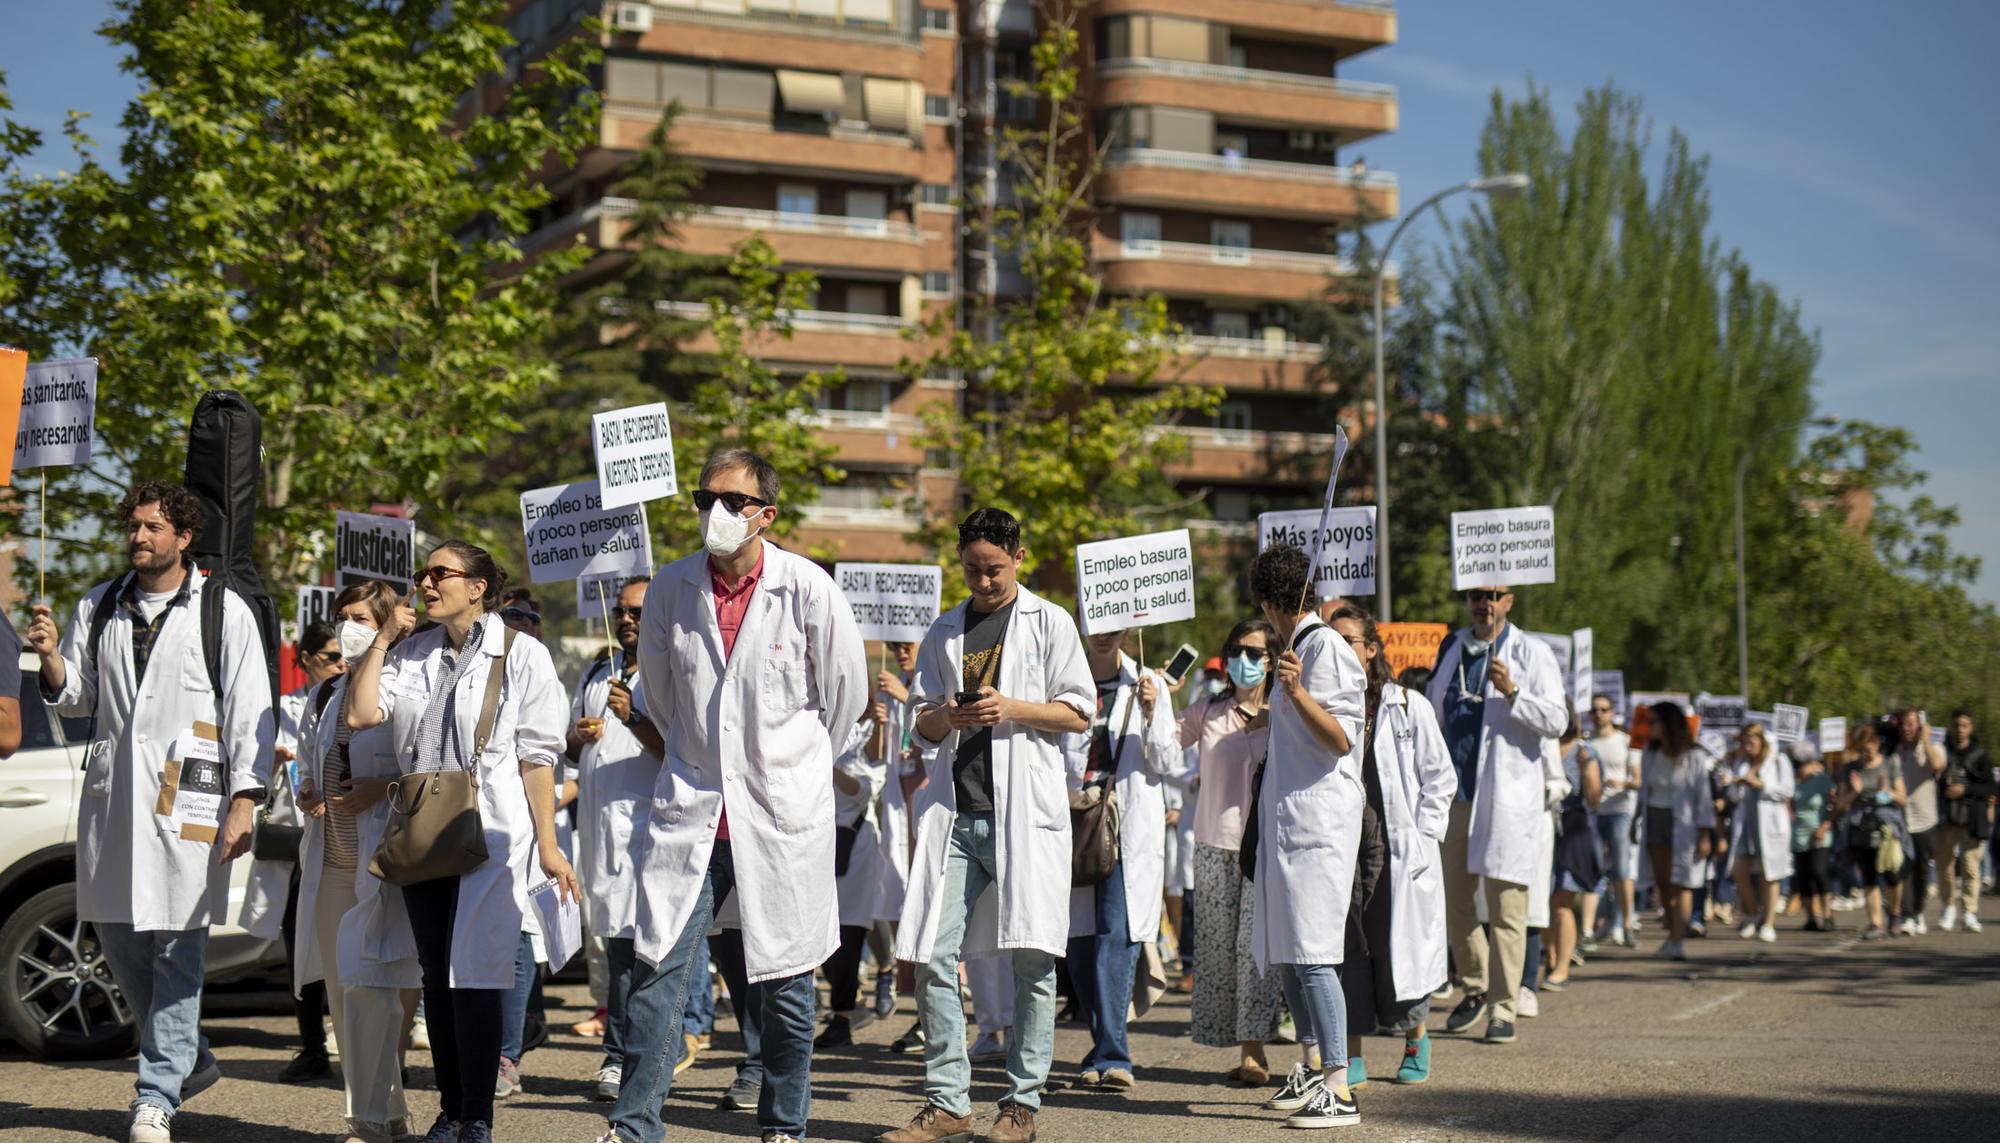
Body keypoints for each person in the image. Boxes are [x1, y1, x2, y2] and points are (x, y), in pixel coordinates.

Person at [600, 449, 867, 1143]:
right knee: (658, 969)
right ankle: (634, 1127)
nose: (715, 512)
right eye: (705, 497)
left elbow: (845, 700)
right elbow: (659, 696)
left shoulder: (809, 590)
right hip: (692, 804)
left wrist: (790, 769)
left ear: (766, 514)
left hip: (780, 813)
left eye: (732, 500)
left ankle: (783, 1122)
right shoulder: (669, 589)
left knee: (785, 980)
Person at [26, 480, 276, 1143]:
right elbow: (76, 699)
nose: (138, 537)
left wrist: (246, 798)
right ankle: (189, 1055)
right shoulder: (100, 603)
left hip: (191, 799)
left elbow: (251, 708)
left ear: (184, 537)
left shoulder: (222, 609)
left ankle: (156, 1093)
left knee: (178, 945)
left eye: (152, 527)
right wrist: (50, 657)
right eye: (132, 526)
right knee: (117, 935)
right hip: (117, 798)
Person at [345, 540, 575, 1143]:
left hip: (492, 832)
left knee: (476, 974)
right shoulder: (412, 651)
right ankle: (451, 1109)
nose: (426, 583)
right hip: (423, 828)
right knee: (435, 979)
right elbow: (363, 715)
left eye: (440, 574)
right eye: (424, 574)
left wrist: (548, 846)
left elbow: (537, 758)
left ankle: (477, 1115)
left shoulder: (522, 655)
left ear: (477, 587)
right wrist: (382, 639)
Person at [878, 508, 1092, 1143]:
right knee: (932, 954)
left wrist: (1012, 708)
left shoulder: (1050, 622)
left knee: (1032, 958)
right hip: (956, 814)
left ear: (1018, 558)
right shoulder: (947, 627)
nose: (984, 581)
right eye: (972, 569)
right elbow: (920, 725)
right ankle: (948, 1101)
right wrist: (947, 714)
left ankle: (1022, 1103)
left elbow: (1080, 711)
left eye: (994, 569)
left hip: (1023, 816)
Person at [292, 581, 424, 1143]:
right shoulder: (325, 695)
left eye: (361, 617)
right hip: (332, 864)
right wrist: (306, 790)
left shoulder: (411, 682)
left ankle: (367, 1119)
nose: (348, 625)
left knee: (375, 992)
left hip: (383, 863)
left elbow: (431, 766)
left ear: (389, 623)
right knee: (346, 1000)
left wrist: (382, 788)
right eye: (343, 616)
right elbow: (305, 761)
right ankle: (387, 1114)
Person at [1247, 545, 1366, 1128]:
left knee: (1315, 957)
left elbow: (1341, 737)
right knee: (1291, 957)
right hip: (1288, 822)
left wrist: (1295, 694)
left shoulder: (1329, 650)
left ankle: (1340, 1087)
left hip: (1318, 826)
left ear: (1271, 605)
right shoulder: (1300, 649)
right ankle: (1314, 1066)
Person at [1423, 585, 1567, 1045]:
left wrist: (1514, 692)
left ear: (1510, 601)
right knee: (1455, 902)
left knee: (1507, 906)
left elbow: (1557, 721)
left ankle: (1503, 1007)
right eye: (1475, 595)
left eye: (1494, 595)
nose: (1483, 603)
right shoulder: (1451, 648)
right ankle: (1476, 986)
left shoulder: (1532, 653)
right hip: (1454, 795)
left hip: (1505, 797)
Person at [1326, 606, 1453, 1090]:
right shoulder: (1327, 705)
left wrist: (1424, 837)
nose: (1339, 651)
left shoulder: (1408, 705)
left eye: (1349, 642)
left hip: (1395, 848)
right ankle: (1350, 1052)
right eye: (1331, 642)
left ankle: (1416, 1039)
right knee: (1348, 949)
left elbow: (1440, 777)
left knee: (1398, 946)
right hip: (1342, 845)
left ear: (1372, 649)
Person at [1063, 627, 1180, 1092]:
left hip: (1123, 828)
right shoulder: (1062, 681)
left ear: (1130, 630)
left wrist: (1153, 713)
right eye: (1095, 624)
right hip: (1072, 825)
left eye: (1114, 626)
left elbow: (1167, 761)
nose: (1104, 635)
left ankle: (1114, 1054)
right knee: (1079, 944)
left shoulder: (1146, 682)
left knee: (1116, 935)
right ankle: (1101, 1046)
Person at [567, 577, 666, 1102]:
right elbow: (566, 750)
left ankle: (625, 1057)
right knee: (615, 948)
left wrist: (635, 719)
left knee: (637, 955)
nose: (627, 620)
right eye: (622, 613)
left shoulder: (667, 670)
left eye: (637, 612)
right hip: (600, 837)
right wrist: (577, 737)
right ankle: (629, 1054)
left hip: (648, 836)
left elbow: (680, 750)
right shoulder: (597, 673)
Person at [242, 619, 344, 1085]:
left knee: (348, 945)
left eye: (344, 658)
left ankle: (358, 1046)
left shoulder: (350, 701)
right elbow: (246, 768)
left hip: (343, 839)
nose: (340, 666)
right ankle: (311, 1047)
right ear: (304, 660)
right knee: (301, 947)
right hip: (296, 845)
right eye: (330, 658)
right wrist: (272, 759)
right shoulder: (281, 711)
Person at [1181, 618, 1281, 1085]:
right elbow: (1163, 746)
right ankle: (1237, 1042)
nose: (1246, 660)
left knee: (1254, 951)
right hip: (1214, 846)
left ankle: (1254, 1051)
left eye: (1256, 652)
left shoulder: (1285, 711)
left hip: (1264, 848)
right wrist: (1156, 699)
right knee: (1220, 954)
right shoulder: (1207, 710)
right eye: (1238, 650)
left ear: (1273, 659)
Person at [818, 704, 893, 1049]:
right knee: (816, 931)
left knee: (847, 933)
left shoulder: (871, 738)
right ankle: (848, 1004)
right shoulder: (819, 724)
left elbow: (864, 790)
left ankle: (844, 1014)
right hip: (815, 839)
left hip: (854, 845)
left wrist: (824, 764)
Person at [1638, 703, 1716, 961]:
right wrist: (1635, 821)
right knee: (1663, 884)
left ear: (1668, 724)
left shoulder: (1694, 756)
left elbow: (1703, 798)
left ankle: (1678, 940)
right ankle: (1671, 934)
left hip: (1683, 824)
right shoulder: (1649, 753)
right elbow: (1643, 792)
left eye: (1654, 722)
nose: (1649, 728)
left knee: (1681, 882)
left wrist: (1705, 834)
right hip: (1655, 819)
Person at [1836, 723, 1908, 941]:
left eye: (1867, 749)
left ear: (1876, 744)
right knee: (1868, 876)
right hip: (1860, 825)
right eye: (1860, 750)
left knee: (1891, 874)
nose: (1864, 754)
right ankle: (1875, 922)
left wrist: (1885, 792)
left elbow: (1902, 798)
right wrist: (1854, 793)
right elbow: (1841, 804)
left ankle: (1894, 914)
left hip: (1886, 825)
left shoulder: (1889, 764)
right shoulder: (1850, 769)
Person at [1544, 716, 1601, 990]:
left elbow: (1594, 798)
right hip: (1545, 828)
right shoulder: (1543, 744)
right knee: (1543, 901)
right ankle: (1552, 958)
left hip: (1574, 829)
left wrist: (1586, 767)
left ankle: (1562, 967)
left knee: (1562, 901)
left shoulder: (1585, 751)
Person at [1724, 724, 1795, 943]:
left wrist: (1762, 784)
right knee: (1739, 872)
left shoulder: (1777, 761)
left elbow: (1788, 790)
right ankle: (1753, 913)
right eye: (1744, 742)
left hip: (1770, 824)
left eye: (1752, 741)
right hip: (1746, 825)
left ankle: (1768, 923)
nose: (1748, 745)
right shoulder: (1741, 763)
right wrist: (1734, 783)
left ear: (1762, 741)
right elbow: (1734, 797)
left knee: (1769, 875)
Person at [1583, 694, 1638, 948]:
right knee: (1593, 871)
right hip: (1594, 812)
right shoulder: (1587, 743)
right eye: (1594, 710)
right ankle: (1588, 929)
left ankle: (1627, 923)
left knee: (1622, 870)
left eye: (1604, 709)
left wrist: (1622, 783)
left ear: (1613, 712)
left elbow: (1638, 780)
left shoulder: (1625, 742)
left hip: (1620, 810)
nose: (1599, 714)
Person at [1938, 710, 1994, 932]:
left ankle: (1969, 911)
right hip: (1947, 818)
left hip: (1972, 819)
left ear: (1970, 728)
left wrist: (1965, 789)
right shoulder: (1943, 752)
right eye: (1956, 725)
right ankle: (1948, 906)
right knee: (1945, 865)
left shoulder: (1981, 755)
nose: (1960, 730)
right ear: (1951, 727)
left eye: (1964, 725)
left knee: (1971, 867)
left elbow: (1991, 786)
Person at [1891, 709, 1947, 935]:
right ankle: (1906, 915)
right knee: (1903, 869)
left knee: (1922, 870)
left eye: (1911, 724)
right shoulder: (1896, 751)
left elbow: (1936, 766)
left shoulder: (1934, 747)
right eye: (1904, 723)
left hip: (1925, 820)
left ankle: (1918, 913)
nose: (1906, 728)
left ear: (1920, 725)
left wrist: (1925, 738)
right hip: (1902, 819)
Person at [1790, 743, 1838, 931]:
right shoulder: (1793, 782)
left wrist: (1826, 825)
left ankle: (1827, 915)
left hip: (1819, 835)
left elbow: (1834, 804)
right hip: (1799, 835)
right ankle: (1810, 917)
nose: (1801, 768)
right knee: (1803, 878)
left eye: (1803, 764)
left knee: (1819, 872)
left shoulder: (1823, 780)